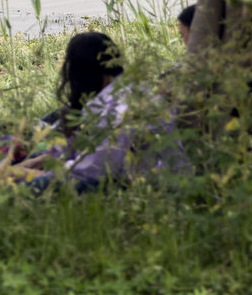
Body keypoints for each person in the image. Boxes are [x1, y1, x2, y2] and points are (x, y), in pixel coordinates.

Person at [19, 32, 185, 192]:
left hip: (151, 182)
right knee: (37, 157)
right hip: (125, 169)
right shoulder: (125, 88)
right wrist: (38, 162)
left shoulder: (116, 109)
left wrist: (31, 174)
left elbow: (93, 169)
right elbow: (78, 149)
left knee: (22, 187)